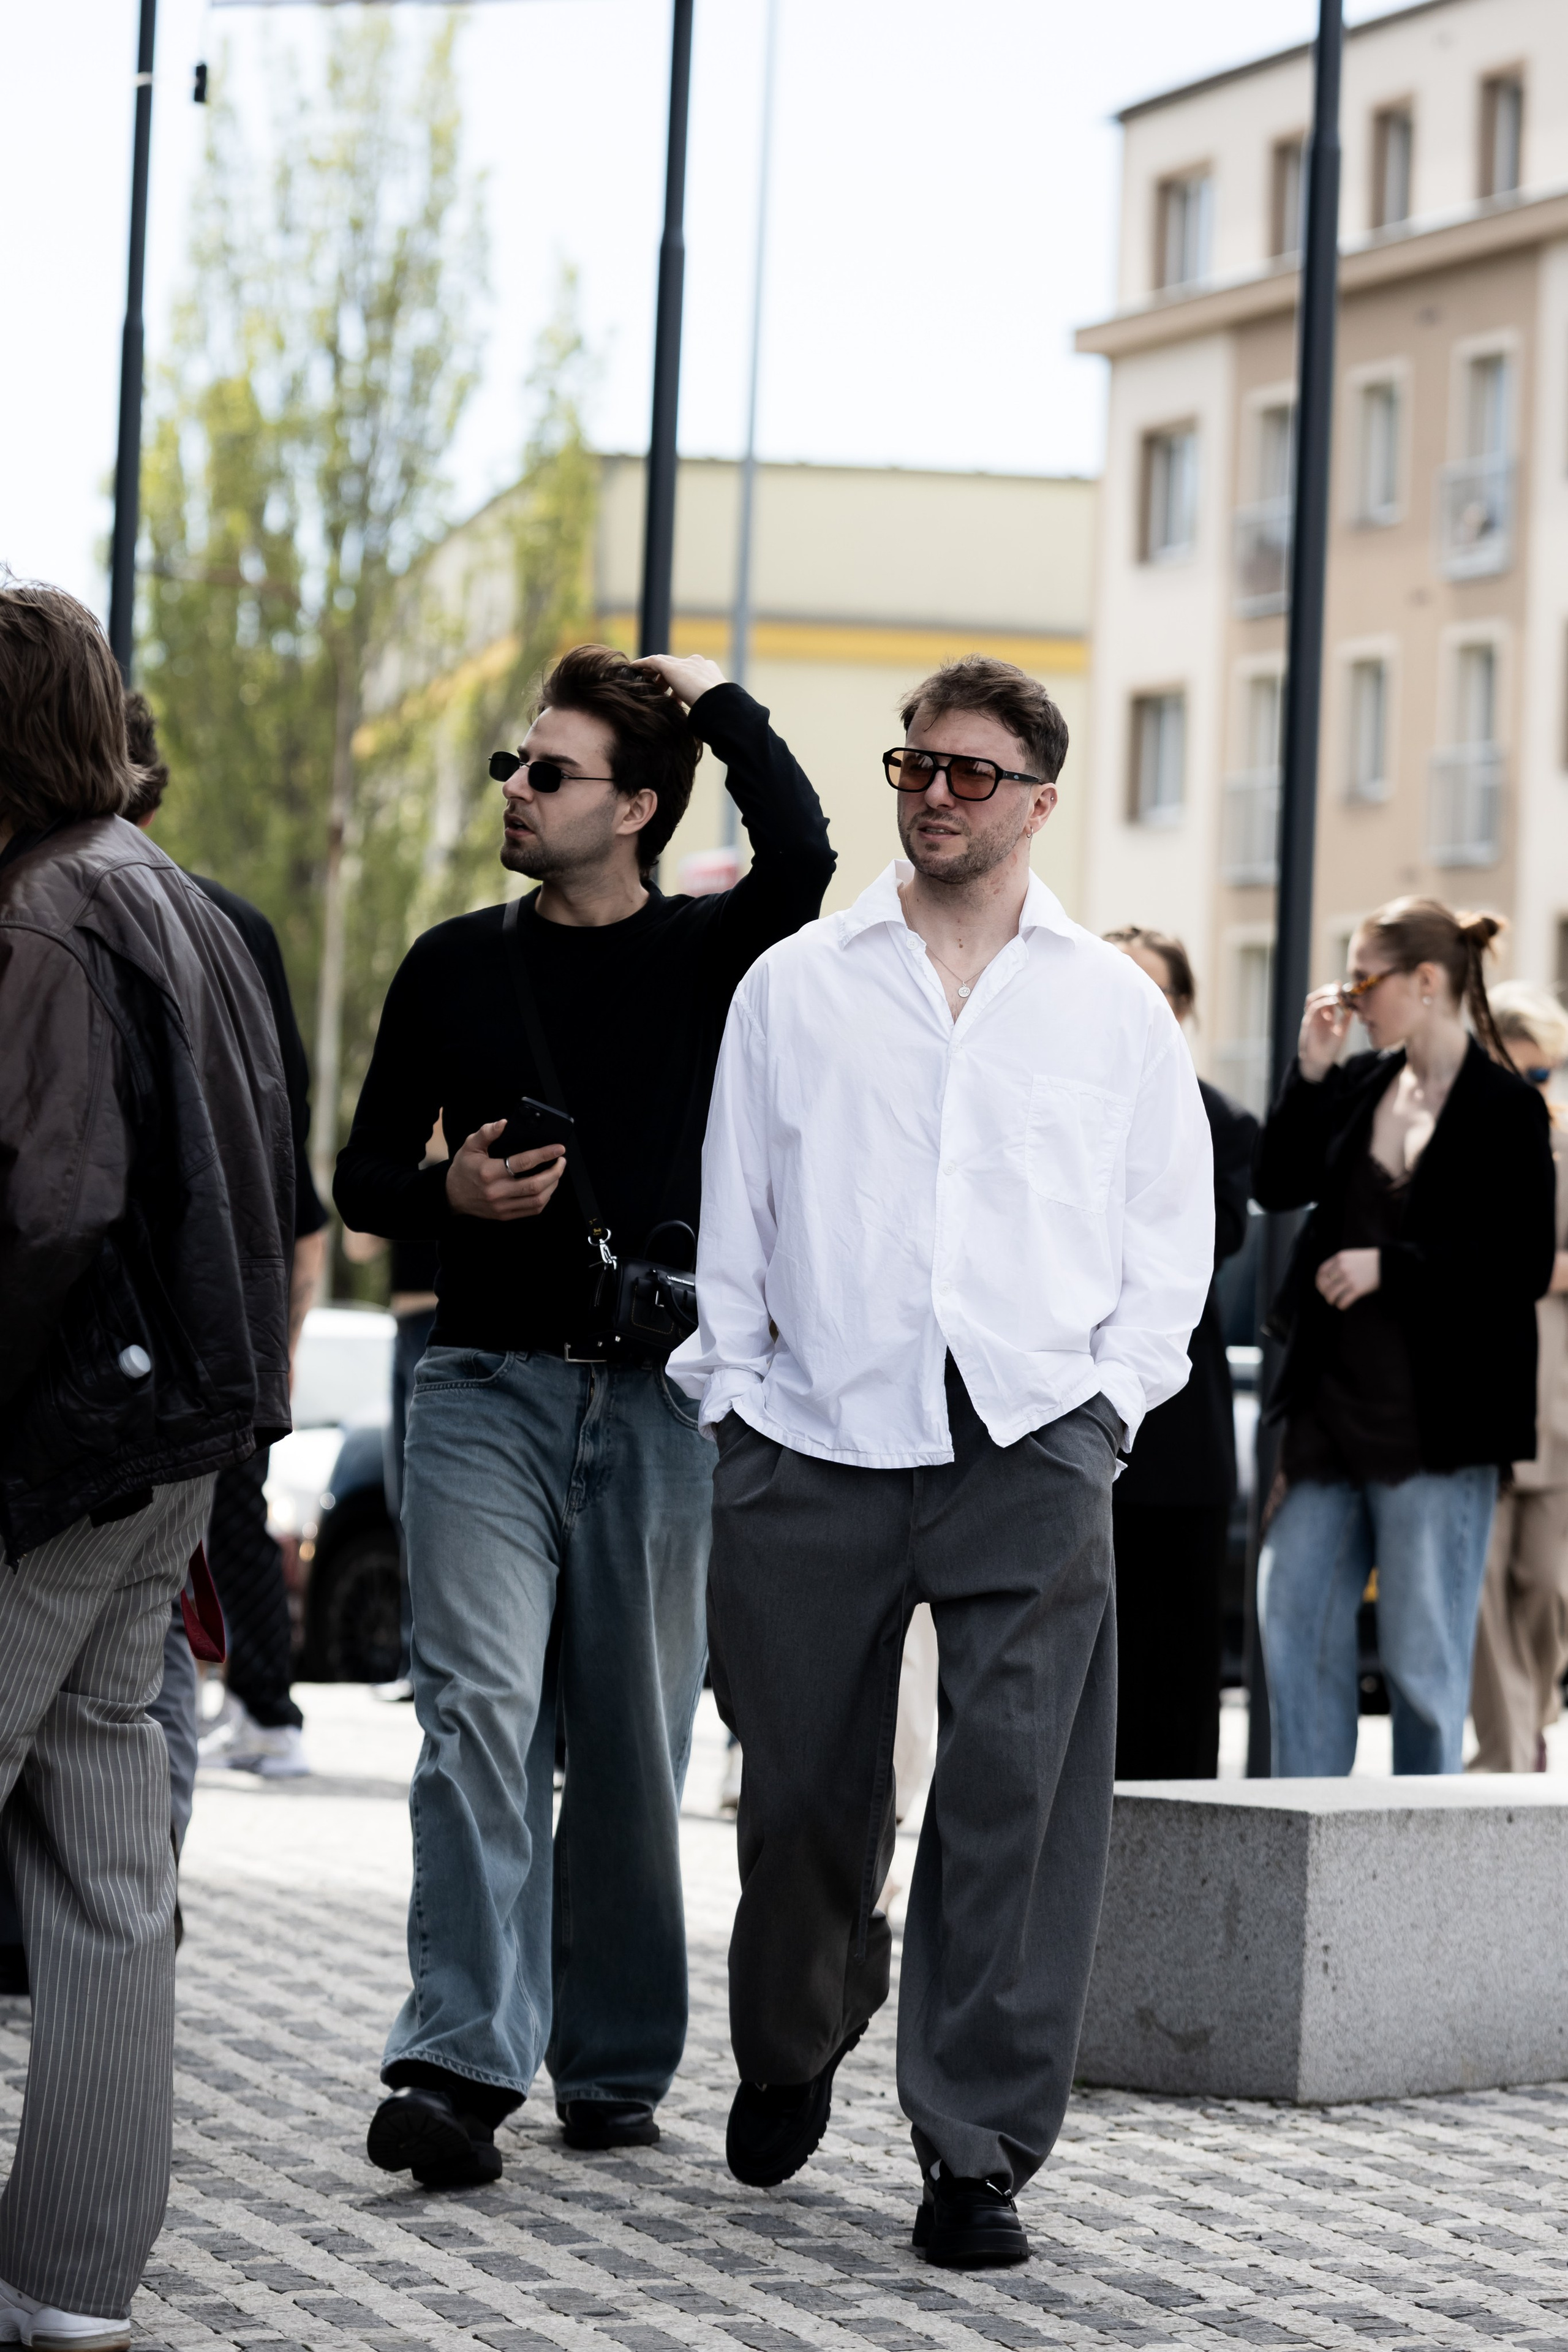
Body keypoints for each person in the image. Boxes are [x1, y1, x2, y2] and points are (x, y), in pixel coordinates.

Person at [669, 654, 1213, 2267]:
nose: (935, 794)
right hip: (815, 1436)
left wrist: (1108, 1404)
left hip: (1032, 1439)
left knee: (1012, 1802)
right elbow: (741, 1211)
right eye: (917, 766)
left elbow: (1166, 1234)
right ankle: (803, 2021)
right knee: (806, 1811)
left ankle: (973, 2145)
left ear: (1041, 801)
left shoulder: (1110, 1007)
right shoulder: (799, 983)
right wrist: (737, 1400)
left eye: (974, 773)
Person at [335, 644, 834, 2190]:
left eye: (547, 772)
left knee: (630, 1735)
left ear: (632, 807)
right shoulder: (447, 963)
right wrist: (450, 1196)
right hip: (478, 1388)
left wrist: (718, 700)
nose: (516, 790)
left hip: (657, 1405)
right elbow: (357, 1187)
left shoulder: (708, 953)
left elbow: (806, 850)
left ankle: (610, 2067)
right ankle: (457, 2060)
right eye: (513, 766)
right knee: (478, 1714)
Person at [0, 584, 292, 2348]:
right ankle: (72, 2278)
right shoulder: (166, 890)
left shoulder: (45, 915)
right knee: (111, 1872)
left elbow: (48, 1206)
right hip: (174, 1432)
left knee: (106, 1854)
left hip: (66, 1446)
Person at [1254, 899, 1556, 1777]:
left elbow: (1521, 1263)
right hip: (1328, 1420)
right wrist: (1310, 1071)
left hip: (1437, 1429)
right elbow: (1275, 1185)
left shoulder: (1505, 1109)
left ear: (1426, 983)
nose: (1349, 997)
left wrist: (1394, 1266)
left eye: (1363, 978)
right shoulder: (1357, 1084)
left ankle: (1423, 1878)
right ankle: (1308, 1859)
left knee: (1425, 1671)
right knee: (1296, 1635)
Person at [121, 690, 327, 1781]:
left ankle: (261, 1711)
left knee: (139, 1608)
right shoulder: (233, 919)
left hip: (139, 1307)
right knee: (222, 1521)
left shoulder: (68, 904)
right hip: (229, 1293)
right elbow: (280, 1141)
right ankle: (265, 1711)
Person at [1103, 927, 1257, 1779]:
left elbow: (1214, 1236)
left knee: (1176, 1671)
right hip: (1054, 1428)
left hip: (1174, 1439)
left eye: (1148, 989)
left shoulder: (1222, 1122)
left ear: (1184, 1010)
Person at [1468, 982, 1568, 1773]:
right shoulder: (1460, 1138)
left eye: (1546, 1076)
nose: (1534, 1091)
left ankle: (1533, 1717)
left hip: (1560, 1409)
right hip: (1487, 1401)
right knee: (1477, 1597)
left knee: (1544, 1586)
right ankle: (1506, 1754)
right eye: (1521, 1072)